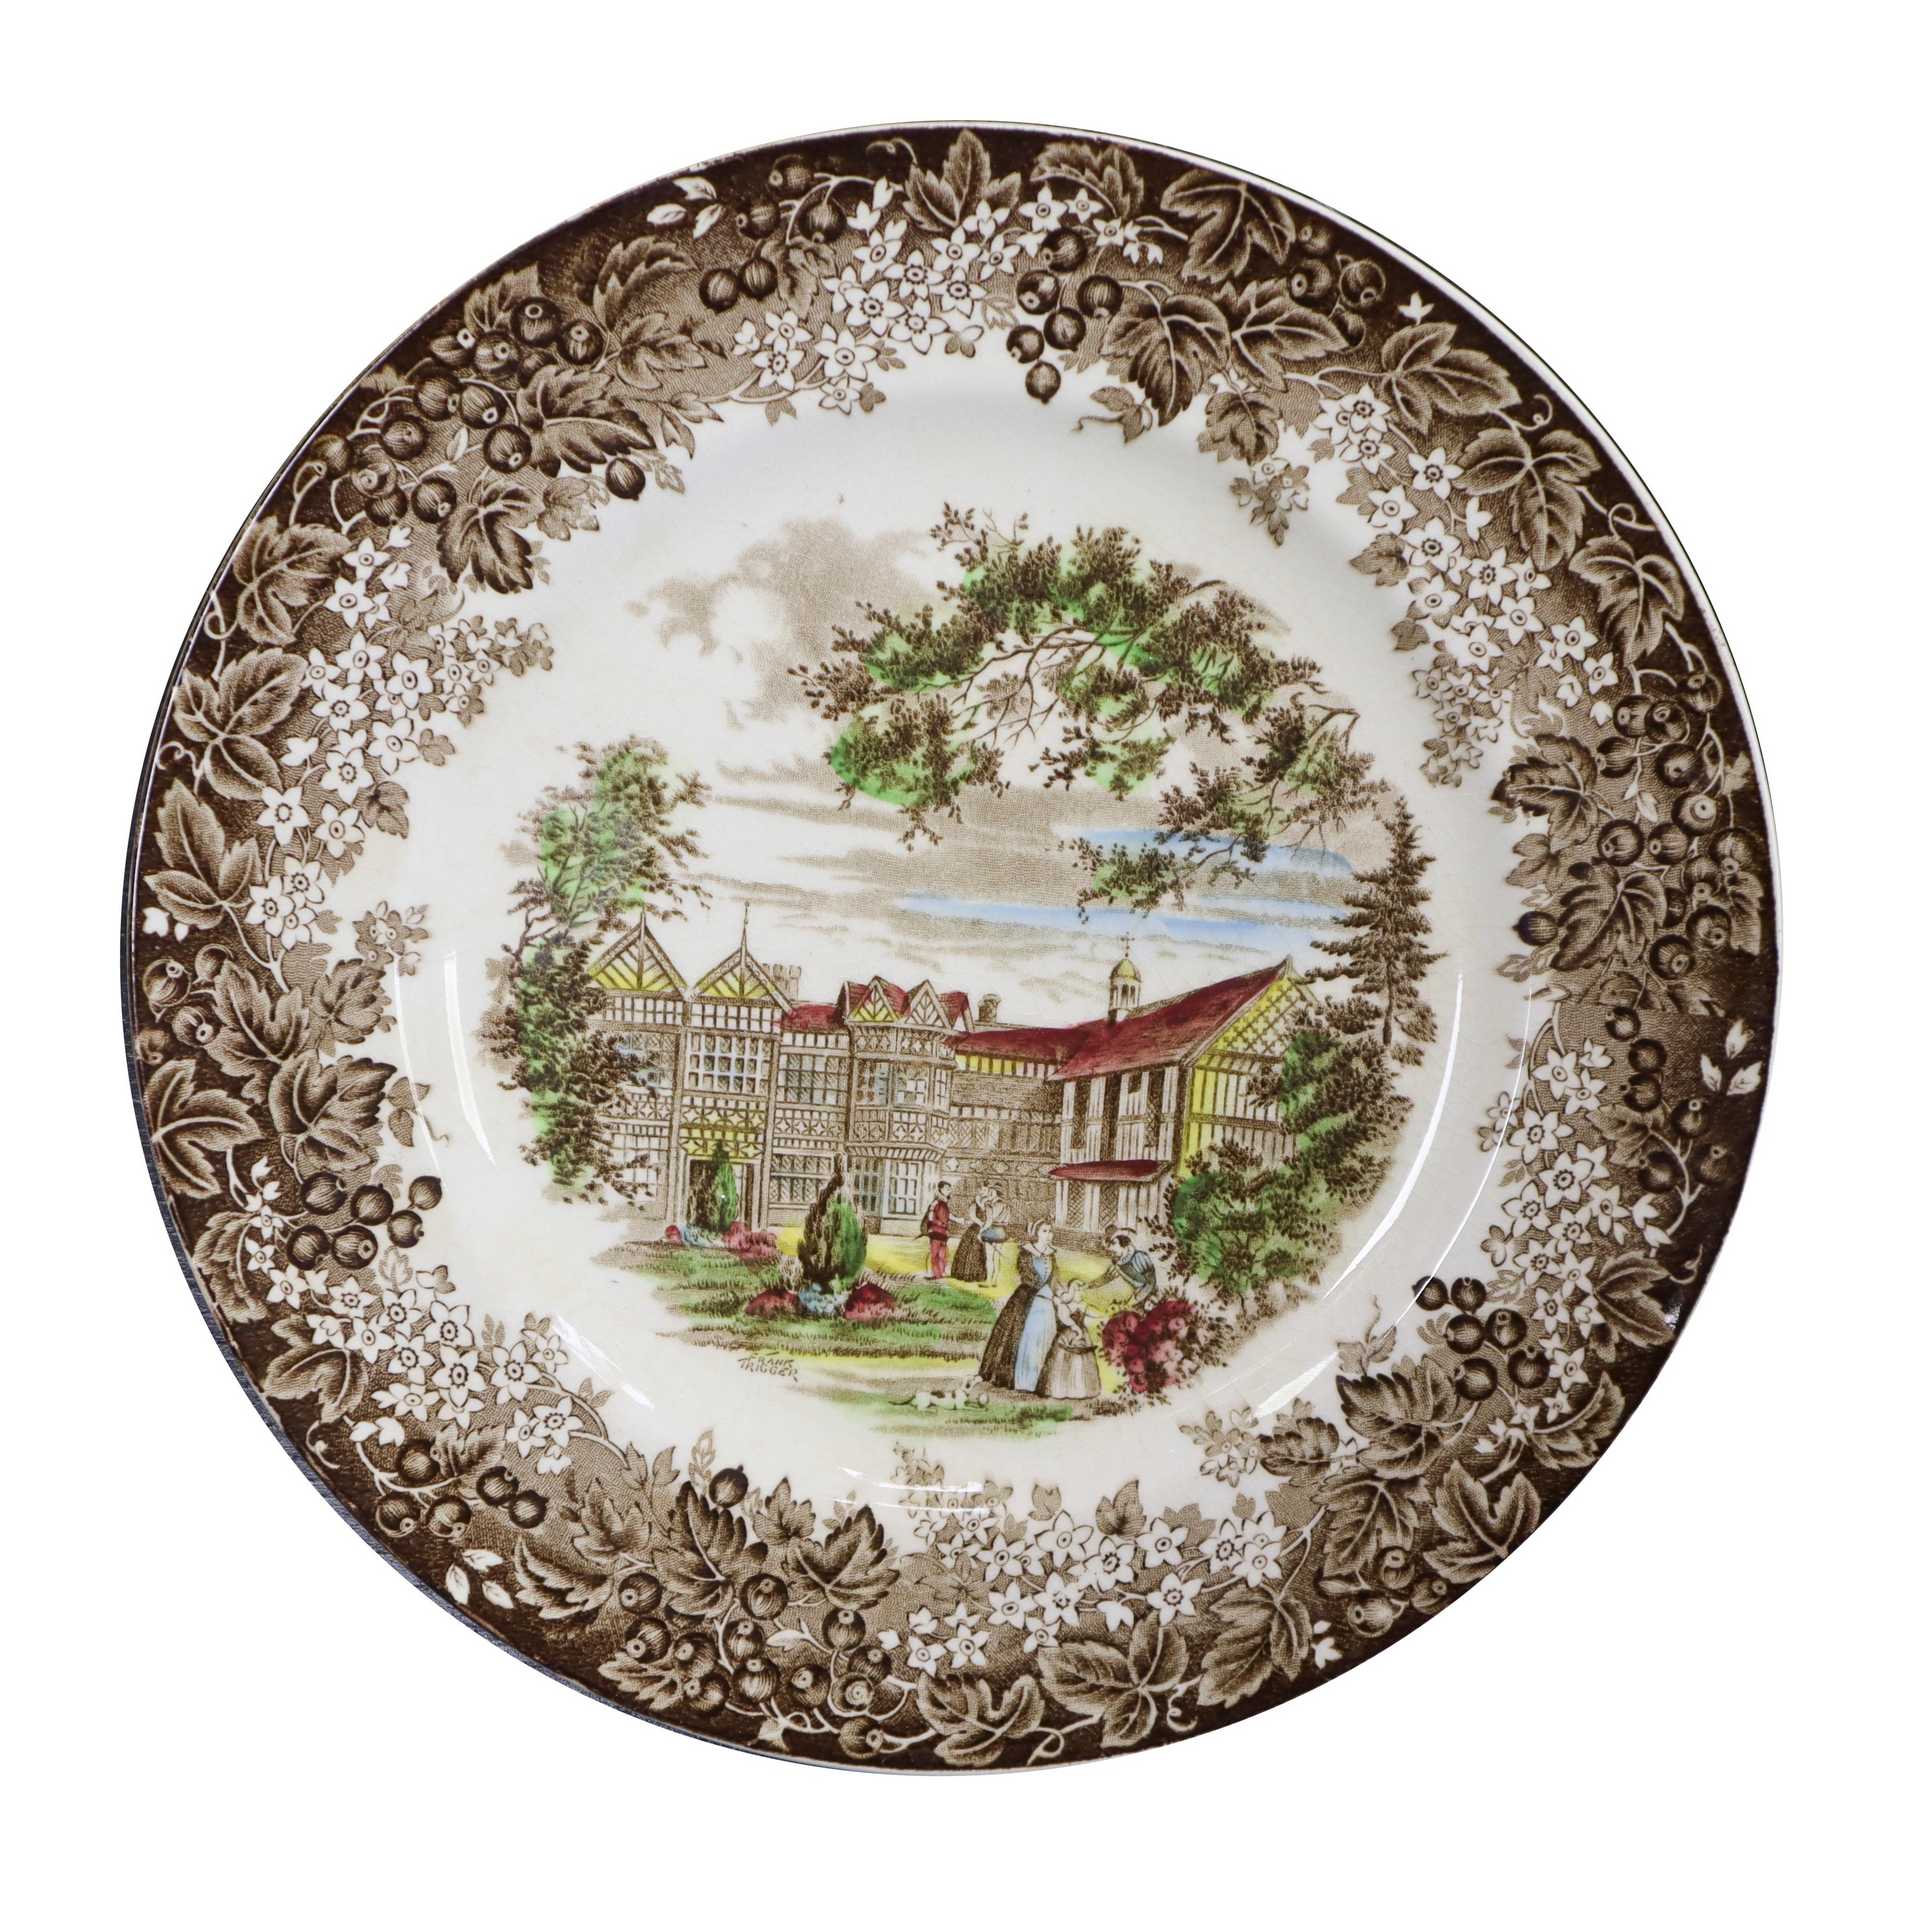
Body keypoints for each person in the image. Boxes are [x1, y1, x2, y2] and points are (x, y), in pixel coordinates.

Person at [978, 1221, 1061, 1393]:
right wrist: (1042, 1290)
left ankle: (1041, 1382)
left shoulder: (1051, 1255)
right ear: (1036, 1233)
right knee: (1021, 1337)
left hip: (1046, 1302)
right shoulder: (1026, 1253)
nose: (1048, 1235)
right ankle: (1022, 1380)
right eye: (1044, 1231)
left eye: (1050, 1231)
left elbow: (1055, 1279)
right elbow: (1027, 1275)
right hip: (1026, 1299)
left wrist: (1057, 1294)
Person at [1040, 1274, 1100, 1400]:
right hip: (1066, 1337)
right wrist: (1076, 1329)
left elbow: (1096, 1313)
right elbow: (1065, 1319)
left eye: (1082, 1291)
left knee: (1082, 1363)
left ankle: (1081, 1390)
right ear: (1071, 1291)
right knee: (1061, 1362)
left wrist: (1109, 1313)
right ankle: (1059, 1390)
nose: (1081, 1294)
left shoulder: (1083, 1305)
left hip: (1082, 1337)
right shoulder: (1064, 1306)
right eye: (1078, 1291)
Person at [950, 1184, 1004, 1285]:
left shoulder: (989, 1203)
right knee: (971, 1250)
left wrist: (985, 1225)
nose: (984, 1192)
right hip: (977, 1227)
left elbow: (990, 1217)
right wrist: (981, 1224)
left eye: (986, 1191)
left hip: (987, 1228)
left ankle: (984, 1276)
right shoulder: (975, 1202)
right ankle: (968, 1274)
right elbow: (973, 1216)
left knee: (986, 1254)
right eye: (982, 1190)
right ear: (979, 1191)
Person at [1101, 1227, 1159, 1302]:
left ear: (1124, 1243)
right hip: (1132, 1299)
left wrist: (1136, 1299)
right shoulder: (1118, 1264)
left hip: (1148, 1297)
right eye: (1109, 1245)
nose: (1110, 1248)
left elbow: (1150, 1282)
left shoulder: (1140, 1257)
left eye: (1113, 1243)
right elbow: (1107, 1279)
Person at [920, 1182, 953, 1280]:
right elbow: (930, 1216)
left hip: (943, 1232)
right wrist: (940, 1224)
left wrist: (957, 1220)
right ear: (940, 1189)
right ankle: (936, 1274)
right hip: (936, 1231)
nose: (949, 1190)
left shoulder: (944, 1203)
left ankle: (941, 1273)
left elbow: (947, 1217)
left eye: (949, 1188)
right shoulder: (936, 1202)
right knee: (935, 1254)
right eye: (946, 1188)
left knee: (942, 1254)